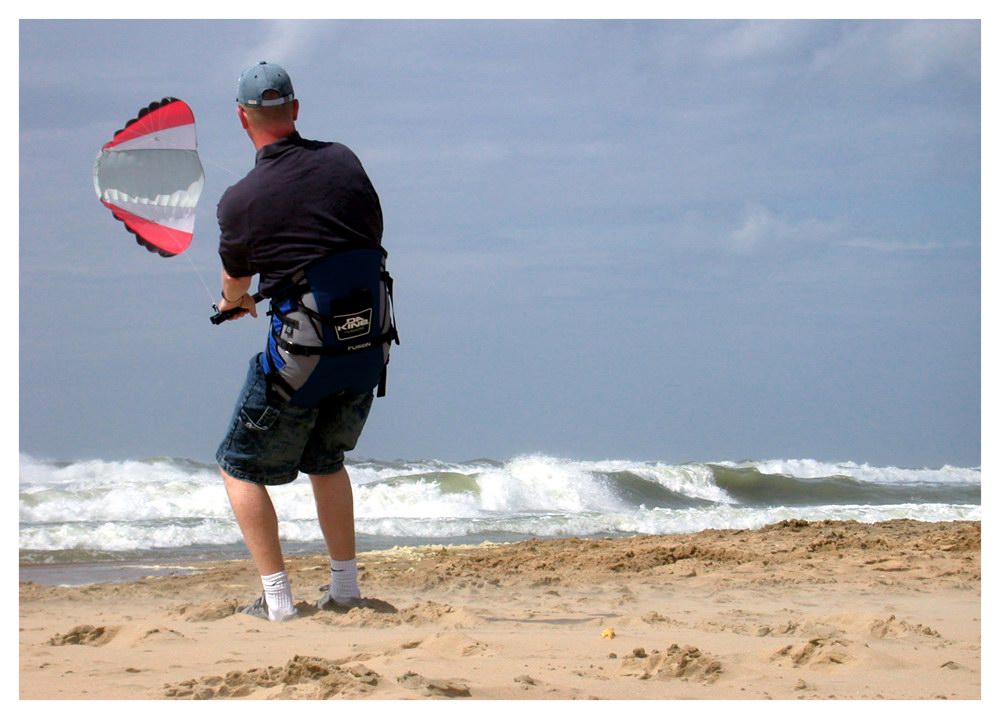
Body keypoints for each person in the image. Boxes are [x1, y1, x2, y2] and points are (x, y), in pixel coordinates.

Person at [214, 61, 391, 622]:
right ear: (294, 109)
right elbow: (365, 238)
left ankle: (278, 601)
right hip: (367, 351)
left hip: (303, 361)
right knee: (326, 460)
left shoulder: (240, 200)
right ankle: (344, 589)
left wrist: (231, 303)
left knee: (237, 467)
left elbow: (236, 284)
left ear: (242, 119)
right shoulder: (343, 159)